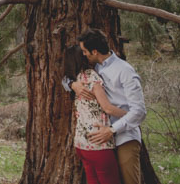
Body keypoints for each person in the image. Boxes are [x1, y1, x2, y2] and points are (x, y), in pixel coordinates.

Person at [63, 28, 147, 184]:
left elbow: (139, 111)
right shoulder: (92, 67)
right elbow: (66, 77)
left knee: (128, 180)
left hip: (124, 134)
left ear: (94, 51)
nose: (83, 54)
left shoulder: (125, 71)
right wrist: (73, 84)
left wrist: (112, 130)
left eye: (84, 51)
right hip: (100, 138)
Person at [64, 44, 127, 184]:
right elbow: (108, 108)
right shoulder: (91, 77)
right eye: (84, 52)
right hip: (99, 143)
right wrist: (130, 114)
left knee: (93, 180)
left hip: (82, 143)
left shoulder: (77, 78)